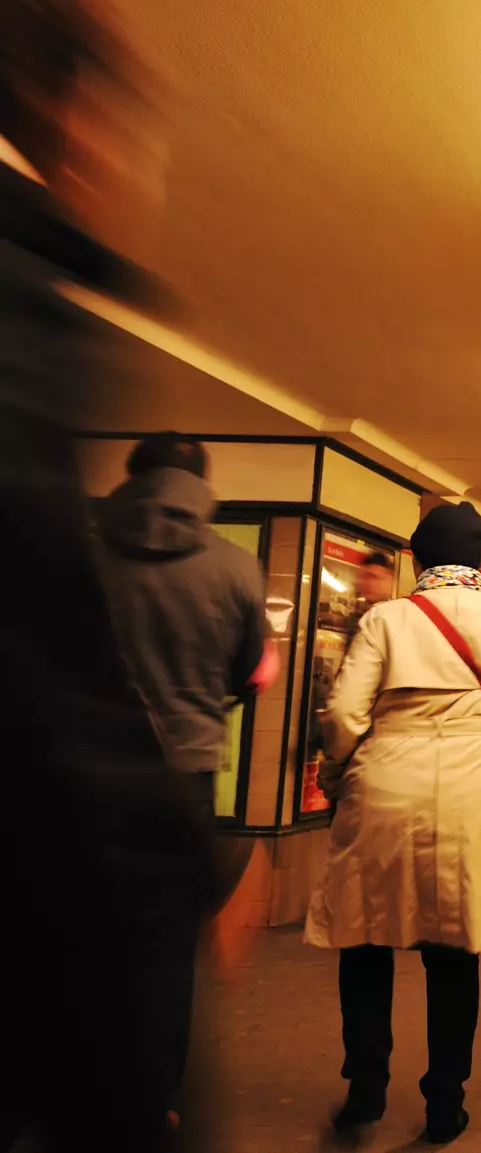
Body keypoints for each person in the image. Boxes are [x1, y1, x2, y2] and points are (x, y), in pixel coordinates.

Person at [1, 0, 207, 1153]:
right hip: (105, 833)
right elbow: (41, 658)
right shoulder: (23, 304)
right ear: (74, 114)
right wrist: (190, 845)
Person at [304, 502, 481, 1143]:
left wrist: (336, 776)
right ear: (477, 561)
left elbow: (343, 715)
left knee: (365, 942)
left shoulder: (387, 618)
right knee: (454, 954)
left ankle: (366, 1086)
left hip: (383, 788)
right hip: (470, 792)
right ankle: (444, 1103)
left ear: (418, 559)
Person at [95, 431, 270, 1119]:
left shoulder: (77, 553)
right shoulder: (233, 568)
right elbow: (248, 669)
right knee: (165, 938)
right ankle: (153, 1095)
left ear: (131, 476)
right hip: (182, 773)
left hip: (78, 772)